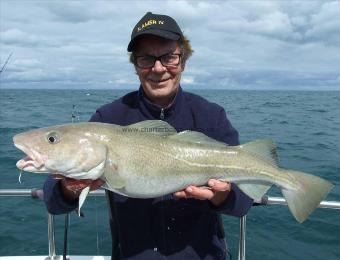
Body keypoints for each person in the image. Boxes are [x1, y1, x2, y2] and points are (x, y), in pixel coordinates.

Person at [43, 12, 253, 260]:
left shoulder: (211, 116)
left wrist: (223, 196)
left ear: (183, 61)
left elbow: (244, 203)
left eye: (169, 57)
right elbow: (53, 202)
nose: (158, 68)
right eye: (146, 59)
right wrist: (69, 188)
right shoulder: (108, 118)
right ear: (135, 65)